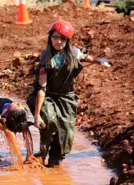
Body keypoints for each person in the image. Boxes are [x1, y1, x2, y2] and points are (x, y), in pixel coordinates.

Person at [26, 20, 111, 167]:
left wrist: (100, 61)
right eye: (55, 37)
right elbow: (42, 88)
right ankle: (40, 156)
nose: (58, 41)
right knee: (50, 121)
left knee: (65, 134)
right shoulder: (46, 57)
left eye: (63, 38)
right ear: (50, 37)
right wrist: (37, 115)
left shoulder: (74, 53)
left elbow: (85, 57)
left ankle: (54, 164)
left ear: (68, 40)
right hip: (47, 97)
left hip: (66, 98)